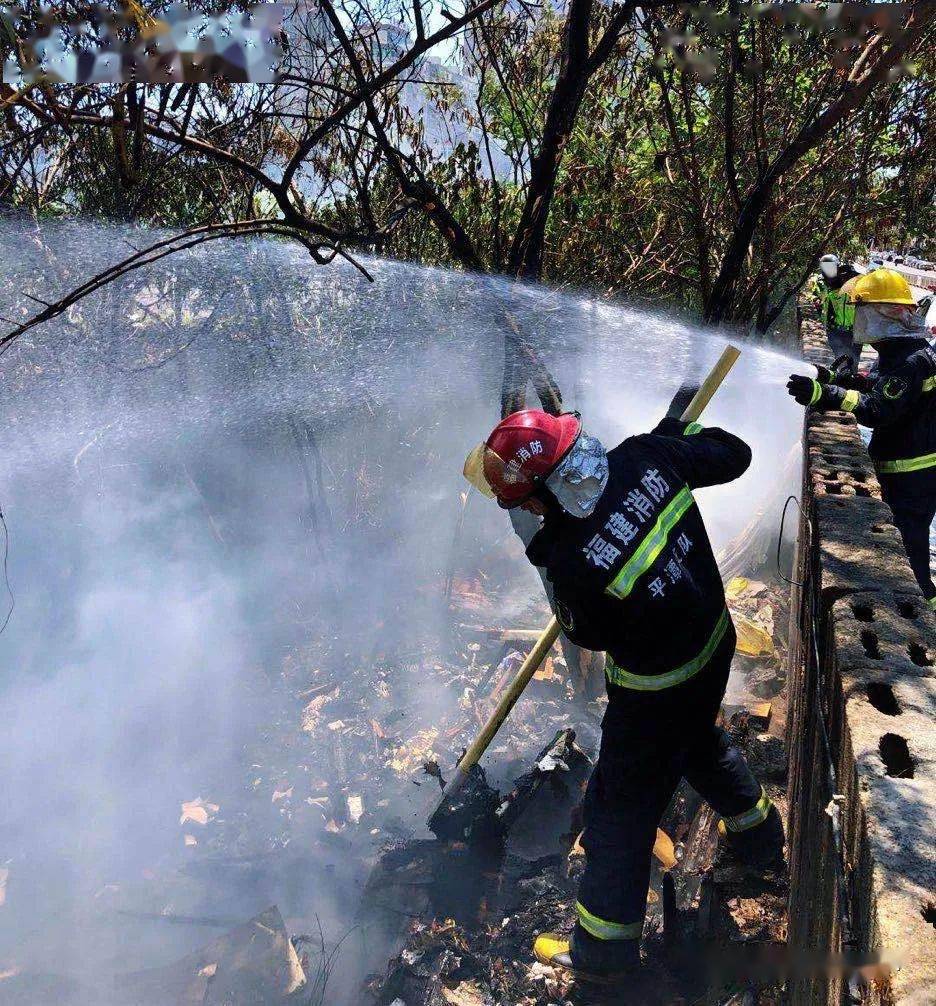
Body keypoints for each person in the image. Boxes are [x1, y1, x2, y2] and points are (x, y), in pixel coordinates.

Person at [464, 402, 784, 981]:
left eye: (524, 502)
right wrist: (678, 439)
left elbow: (589, 632)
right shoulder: (645, 455)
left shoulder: (567, 558)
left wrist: (547, 555)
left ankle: (601, 966)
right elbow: (735, 454)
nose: (525, 511)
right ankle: (760, 837)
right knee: (696, 743)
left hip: (655, 694)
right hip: (714, 646)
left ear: (546, 492)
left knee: (617, 816)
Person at [787, 268, 936, 608]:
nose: (856, 318)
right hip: (906, 466)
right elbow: (883, 388)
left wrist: (826, 395)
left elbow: (879, 409)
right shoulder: (901, 350)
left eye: (861, 310)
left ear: (883, 312)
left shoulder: (911, 360)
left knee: (910, 554)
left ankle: (926, 615)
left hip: (913, 475)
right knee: (902, 546)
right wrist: (841, 379)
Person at [811, 254, 861, 369]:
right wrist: (816, 300)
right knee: (840, 359)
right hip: (834, 328)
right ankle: (842, 379)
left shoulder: (848, 278)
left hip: (854, 330)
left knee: (853, 361)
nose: (828, 271)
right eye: (825, 268)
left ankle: (850, 379)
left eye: (831, 267)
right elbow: (815, 295)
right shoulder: (821, 282)